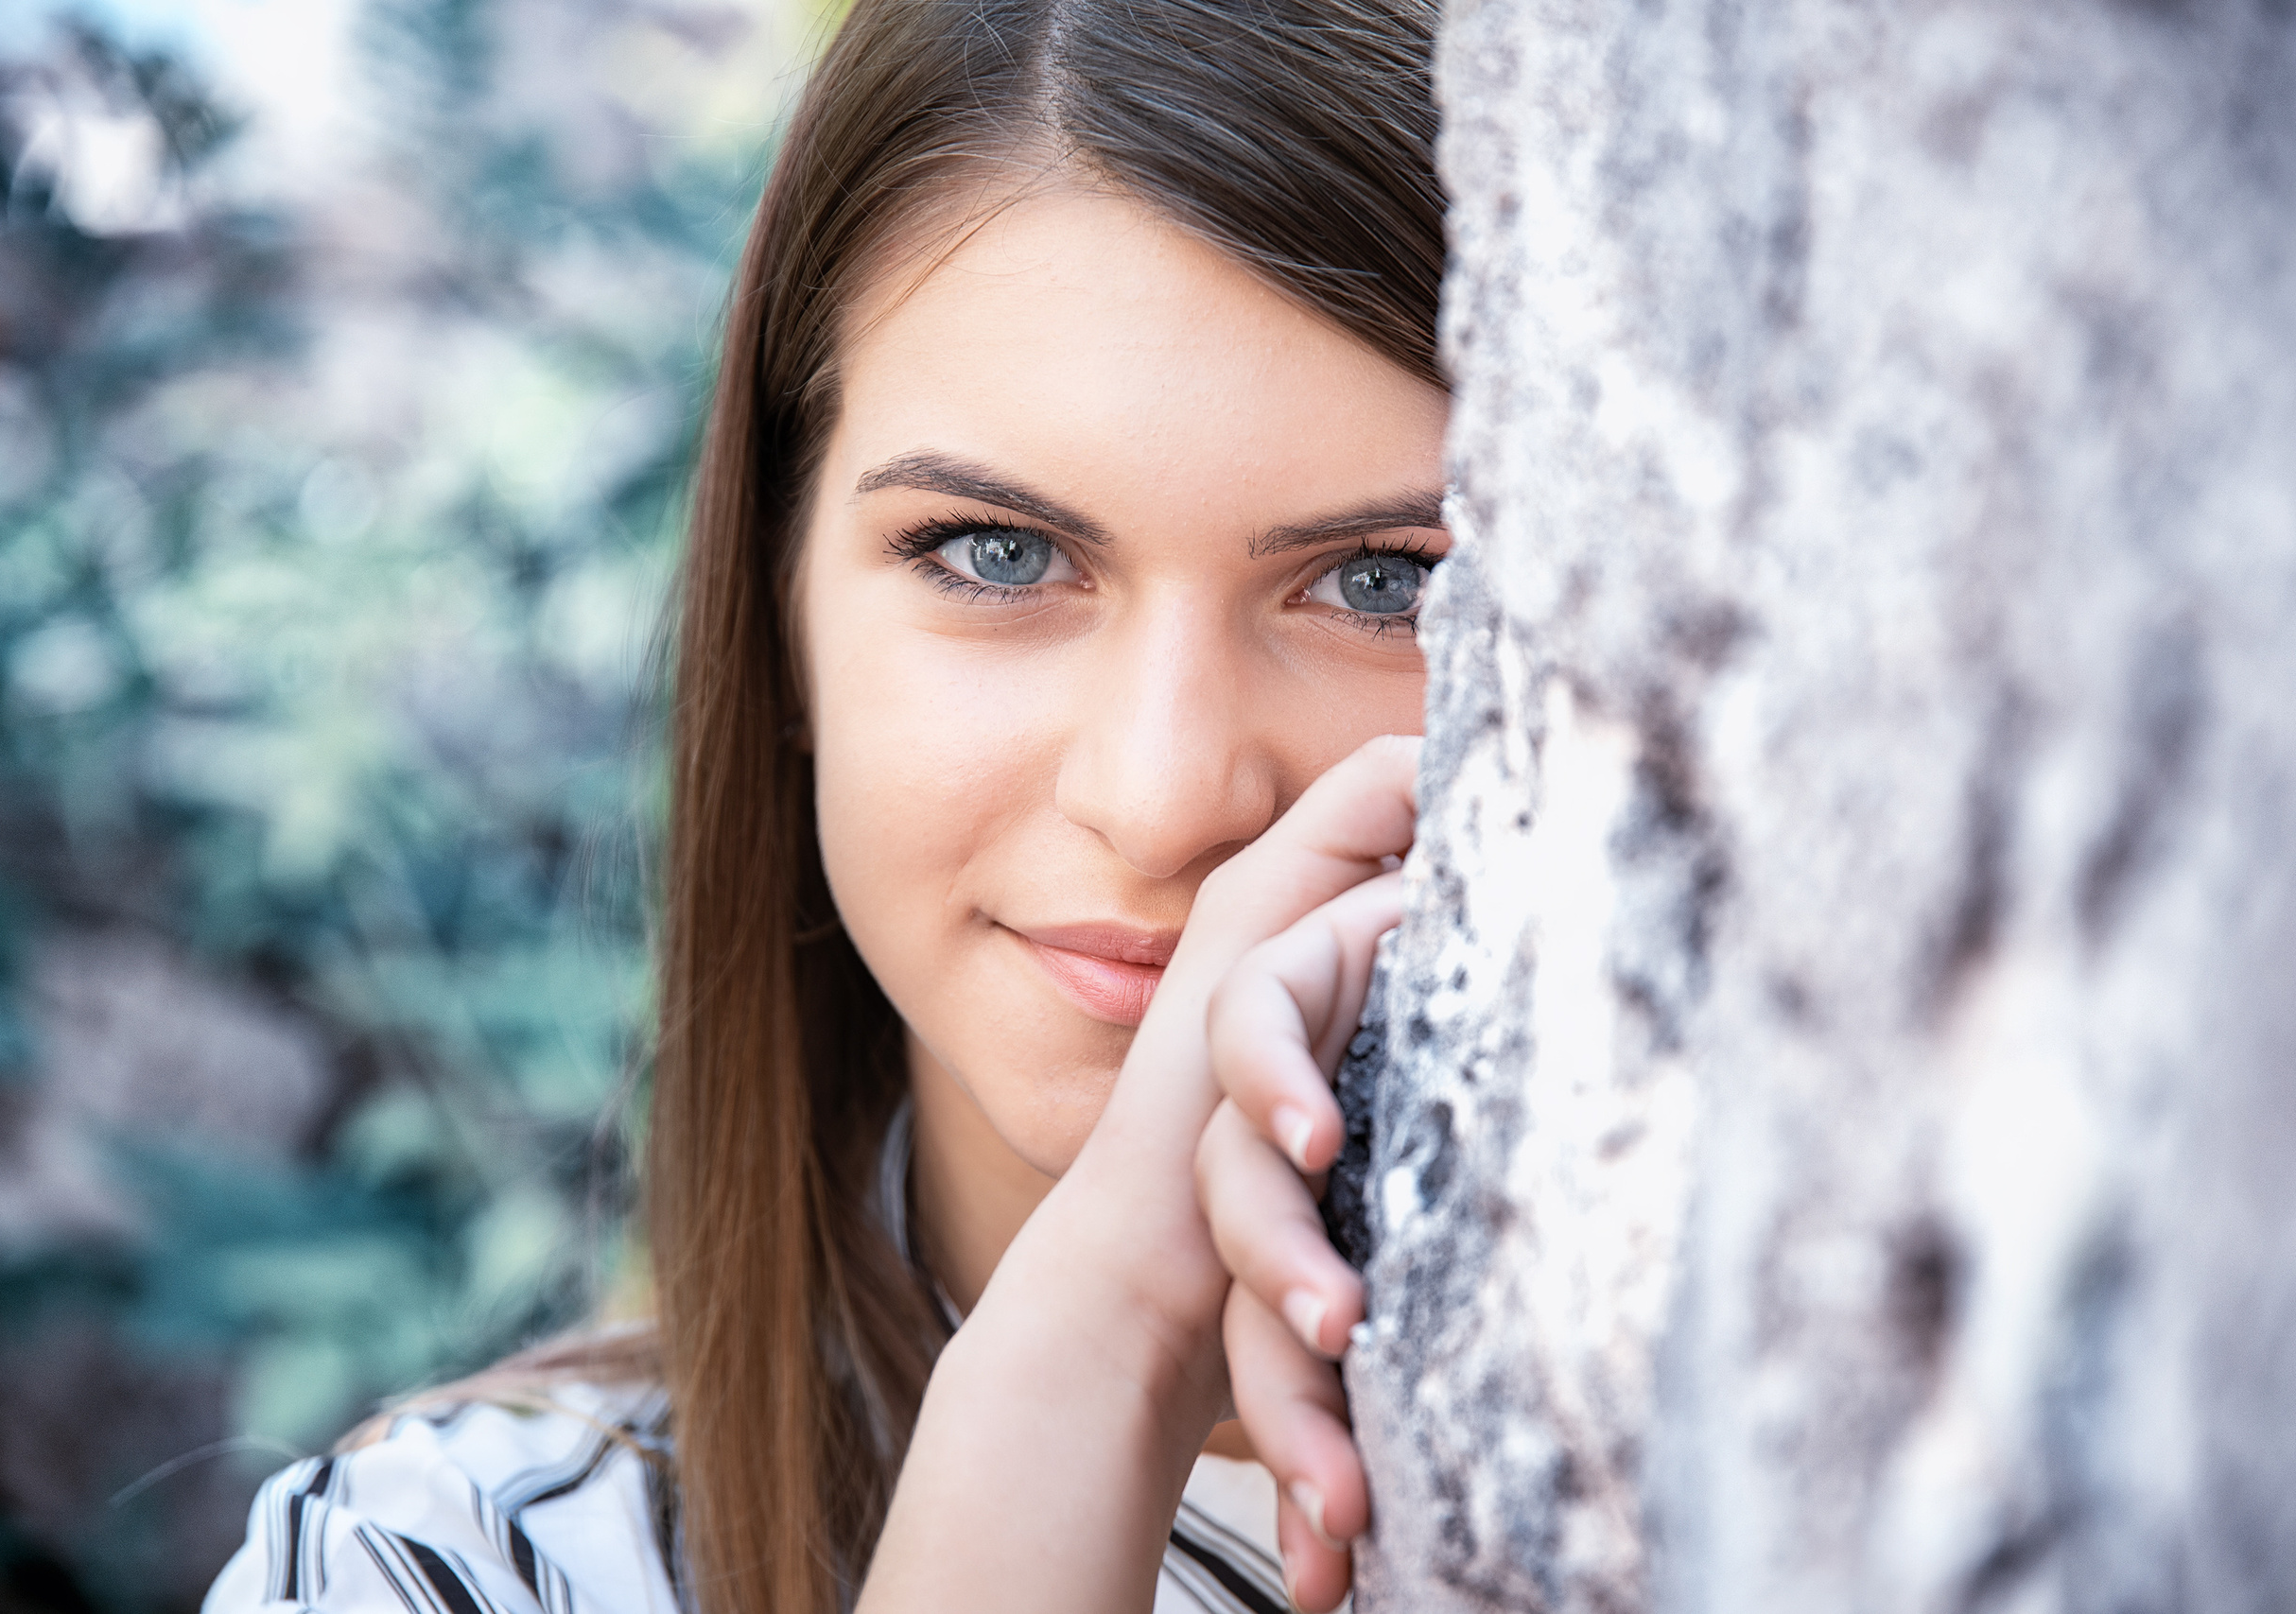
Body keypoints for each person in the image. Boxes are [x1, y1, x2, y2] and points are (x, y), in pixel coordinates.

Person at [204, 0, 1445, 1608]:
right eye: (997, 553)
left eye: (1380, 581)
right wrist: (1084, 1365)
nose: (1156, 803)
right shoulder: (452, 1567)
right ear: (781, 620)